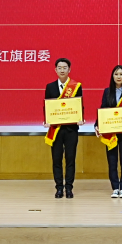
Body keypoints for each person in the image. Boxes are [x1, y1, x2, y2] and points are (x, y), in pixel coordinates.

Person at [95, 64, 122, 198]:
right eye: (116, 74)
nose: (119, 77)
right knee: (112, 161)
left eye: (121, 74)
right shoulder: (107, 91)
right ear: (112, 76)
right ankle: (115, 187)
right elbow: (103, 109)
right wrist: (97, 125)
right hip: (110, 132)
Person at [45, 57, 83, 199]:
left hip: (71, 130)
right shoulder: (50, 87)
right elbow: (47, 106)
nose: (62, 70)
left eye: (65, 67)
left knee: (70, 159)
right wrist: (47, 120)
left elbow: (79, 106)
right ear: (55, 70)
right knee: (56, 159)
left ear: (69, 69)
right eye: (59, 68)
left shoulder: (76, 86)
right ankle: (59, 188)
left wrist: (80, 118)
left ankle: (69, 188)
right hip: (55, 130)